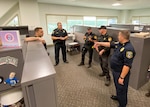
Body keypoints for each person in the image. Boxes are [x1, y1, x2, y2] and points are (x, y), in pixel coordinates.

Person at [94, 30, 136, 107]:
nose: (118, 37)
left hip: (121, 73)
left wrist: (122, 77)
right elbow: (109, 44)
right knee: (118, 87)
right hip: (115, 71)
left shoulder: (128, 49)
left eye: (119, 35)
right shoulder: (119, 44)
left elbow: (127, 65)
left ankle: (122, 104)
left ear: (123, 37)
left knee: (122, 90)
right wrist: (98, 43)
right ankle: (118, 97)